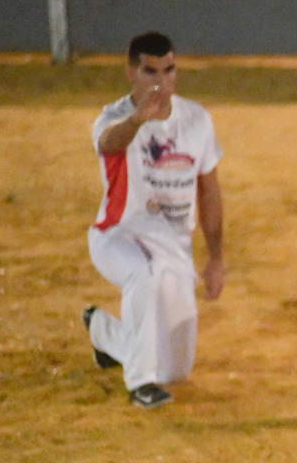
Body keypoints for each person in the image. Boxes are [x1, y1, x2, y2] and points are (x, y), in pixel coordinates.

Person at [82, 31, 226, 409]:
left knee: (176, 371)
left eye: (169, 70)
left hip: (173, 247)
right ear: (130, 71)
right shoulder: (113, 118)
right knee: (141, 273)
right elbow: (109, 143)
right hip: (118, 236)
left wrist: (215, 257)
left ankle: (102, 331)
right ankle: (140, 385)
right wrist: (137, 120)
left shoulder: (196, 120)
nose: (161, 81)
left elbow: (209, 189)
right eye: (150, 71)